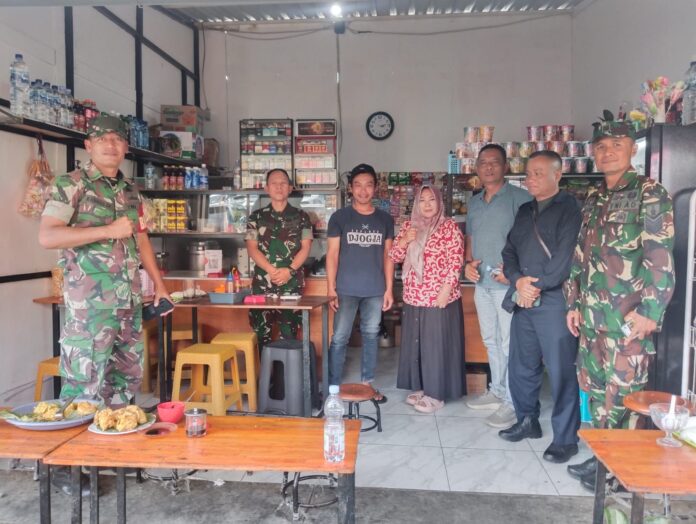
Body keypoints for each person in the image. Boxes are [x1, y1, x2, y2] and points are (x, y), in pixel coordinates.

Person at [39, 115, 171, 496]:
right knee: (84, 382)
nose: (111, 144)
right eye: (103, 139)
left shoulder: (130, 191)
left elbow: (142, 241)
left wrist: (159, 287)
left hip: (127, 300)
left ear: (126, 148)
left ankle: (103, 453)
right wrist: (107, 231)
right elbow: (48, 236)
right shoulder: (71, 184)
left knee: (122, 380)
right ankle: (66, 467)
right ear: (88, 145)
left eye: (117, 139)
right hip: (89, 306)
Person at [564, 118, 675, 490]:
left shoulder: (649, 193)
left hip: (628, 321)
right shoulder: (595, 198)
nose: (607, 151)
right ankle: (602, 462)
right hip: (592, 319)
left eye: (616, 144)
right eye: (601, 146)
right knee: (596, 396)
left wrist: (650, 312)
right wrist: (573, 303)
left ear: (632, 149)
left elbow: (660, 256)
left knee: (625, 399)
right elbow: (581, 255)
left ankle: (623, 474)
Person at [497, 151, 582, 464]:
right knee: (522, 365)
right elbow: (508, 252)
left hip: (554, 300)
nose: (530, 179)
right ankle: (527, 420)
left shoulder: (570, 208)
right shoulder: (524, 211)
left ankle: (565, 439)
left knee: (561, 371)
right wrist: (519, 281)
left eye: (538, 173)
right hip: (523, 299)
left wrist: (535, 286)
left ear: (557, 175)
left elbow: (565, 260)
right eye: (528, 173)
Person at [464, 144, 532, 428]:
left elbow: (531, 240)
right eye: (483, 163)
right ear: (476, 168)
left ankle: (513, 402)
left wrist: (516, 273)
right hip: (482, 284)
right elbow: (470, 240)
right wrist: (466, 264)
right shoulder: (475, 202)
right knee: (490, 341)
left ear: (506, 167)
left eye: (494, 162)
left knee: (508, 343)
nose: (488, 167)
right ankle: (498, 391)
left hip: (508, 285)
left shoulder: (520, 198)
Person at [389, 185, 466, 413]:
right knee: (417, 345)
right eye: (422, 200)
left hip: (438, 297)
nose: (427, 204)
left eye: (432, 199)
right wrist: (404, 241)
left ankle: (437, 393)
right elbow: (394, 255)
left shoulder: (448, 227)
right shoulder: (408, 226)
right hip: (414, 295)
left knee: (436, 345)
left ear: (439, 202)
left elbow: (456, 260)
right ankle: (422, 387)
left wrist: (445, 289)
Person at [327, 163, 394, 401]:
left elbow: (389, 256)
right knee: (339, 338)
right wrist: (330, 288)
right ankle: (333, 387)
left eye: (368, 185)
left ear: (375, 188)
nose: (363, 191)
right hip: (345, 288)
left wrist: (388, 289)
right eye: (358, 185)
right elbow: (332, 254)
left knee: (371, 334)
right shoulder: (340, 217)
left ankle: (368, 384)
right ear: (351, 189)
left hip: (375, 289)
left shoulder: (385, 219)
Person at [246, 168, 313, 348]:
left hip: (291, 284)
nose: (279, 187)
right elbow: (252, 249)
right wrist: (271, 270)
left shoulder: (302, 217)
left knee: (289, 334)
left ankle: (287, 376)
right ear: (267, 188)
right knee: (261, 333)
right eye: (274, 183)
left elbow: (306, 247)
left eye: (283, 183)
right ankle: (264, 376)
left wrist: (289, 271)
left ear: (290, 188)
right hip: (262, 284)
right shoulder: (255, 217)